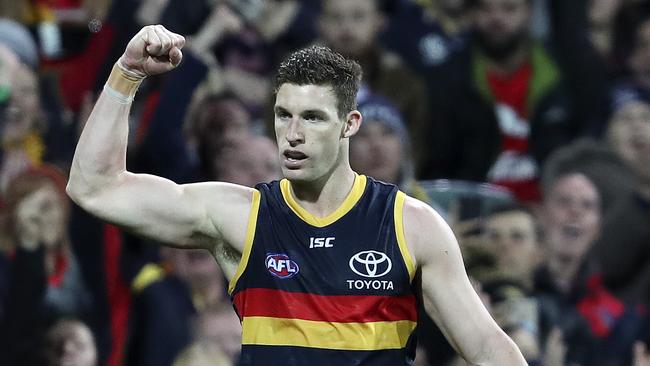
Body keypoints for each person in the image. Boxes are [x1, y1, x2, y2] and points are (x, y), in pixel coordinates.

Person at [66, 25, 525, 365]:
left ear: (350, 124)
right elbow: (95, 188)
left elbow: (487, 348)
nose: (293, 134)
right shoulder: (240, 216)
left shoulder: (411, 225)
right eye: (284, 115)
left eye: (313, 117)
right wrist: (126, 74)